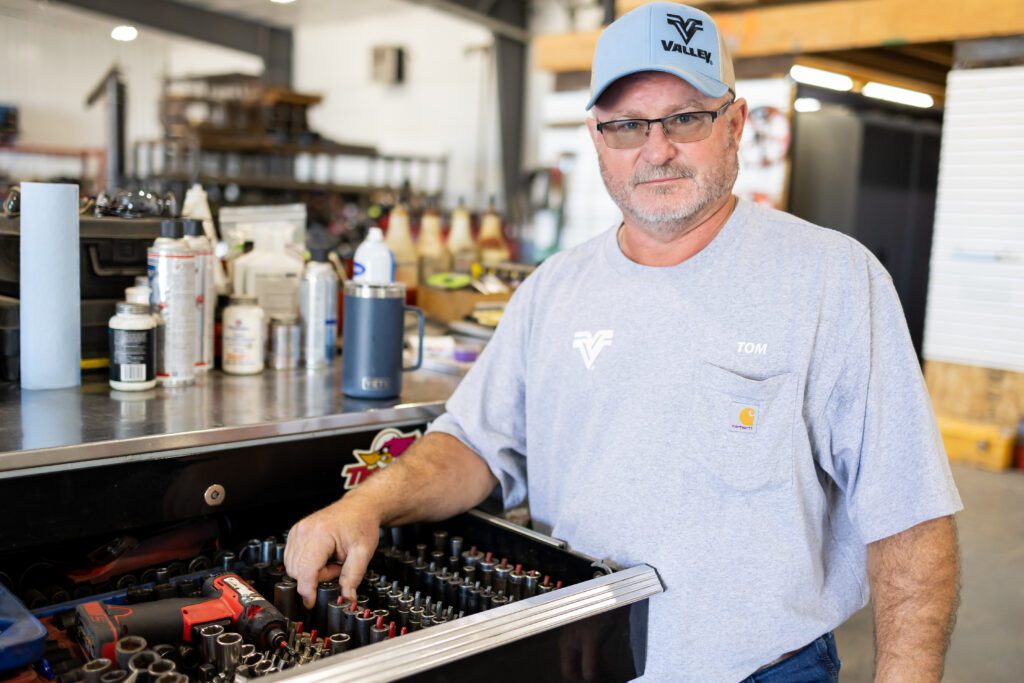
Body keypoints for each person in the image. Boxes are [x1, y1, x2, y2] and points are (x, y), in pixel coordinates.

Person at [285, 3, 962, 681]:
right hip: (579, 662)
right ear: (597, 137)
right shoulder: (554, 290)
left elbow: (910, 516)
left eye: (685, 118)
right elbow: (474, 443)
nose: (656, 149)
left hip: (760, 670)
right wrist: (366, 503)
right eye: (628, 125)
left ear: (734, 124)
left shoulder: (831, 279)